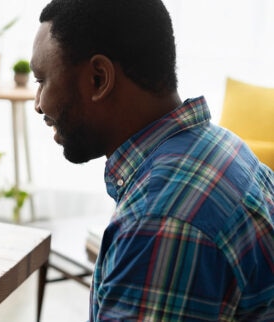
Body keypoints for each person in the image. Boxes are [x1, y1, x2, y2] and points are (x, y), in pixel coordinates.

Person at [31, 0, 274, 320]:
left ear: (99, 79)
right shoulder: (224, 147)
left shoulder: (161, 221)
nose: (38, 104)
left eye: (42, 81)